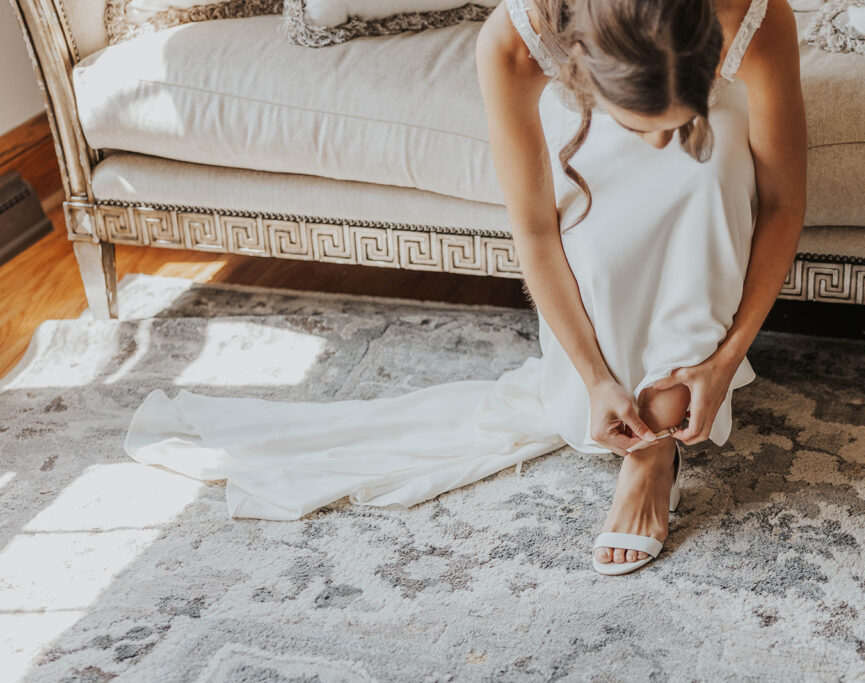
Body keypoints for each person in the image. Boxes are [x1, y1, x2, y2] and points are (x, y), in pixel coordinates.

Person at [123, 0, 806, 577]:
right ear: (581, 68)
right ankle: (646, 434)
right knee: (594, 221)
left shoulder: (750, 13)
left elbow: (779, 205)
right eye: (641, 128)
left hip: (718, 145)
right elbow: (536, 233)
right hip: (589, 138)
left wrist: (725, 358)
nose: (656, 144)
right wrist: (594, 377)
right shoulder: (516, 38)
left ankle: (654, 445)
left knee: (704, 173)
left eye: (673, 124)